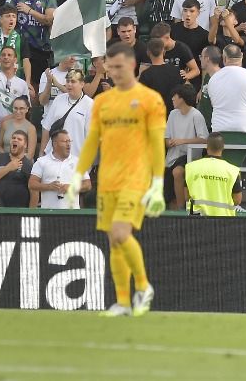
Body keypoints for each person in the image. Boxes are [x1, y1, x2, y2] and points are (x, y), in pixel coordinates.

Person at [66, 41, 165, 317]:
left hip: (136, 178)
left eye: (120, 67)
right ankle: (122, 301)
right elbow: (91, 143)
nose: (115, 72)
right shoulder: (102, 102)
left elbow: (157, 144)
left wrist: (157, 184)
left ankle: (144, 287)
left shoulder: (150, 99)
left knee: (122, 233)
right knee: (114, 241)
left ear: (133, 65)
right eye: (111, 67)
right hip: (107, 180)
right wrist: (77, 175)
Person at [184, 132, 243, 216]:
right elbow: (237, 200)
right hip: (224, 220)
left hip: (196, 219)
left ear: (207, 147)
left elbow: (187, 196)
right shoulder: (233, 170)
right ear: (223, 147)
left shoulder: (190, 167)